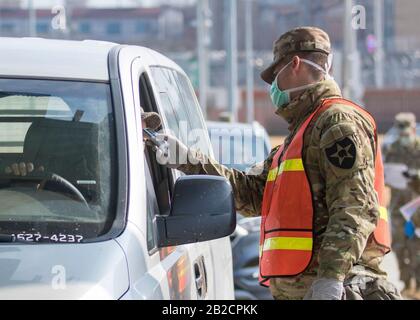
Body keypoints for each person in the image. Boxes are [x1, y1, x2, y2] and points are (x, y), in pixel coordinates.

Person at [152, 27, 401, 300]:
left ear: (294, 64)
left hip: (333, 289)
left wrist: (330, 280)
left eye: (274, 75)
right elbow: (251, 193)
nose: (272, 86)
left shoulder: (337, 122)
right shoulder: (301, 132)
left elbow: (354, 208)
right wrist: (185, 159)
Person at [383, 113, 420, 295]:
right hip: (398, 209)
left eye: (407, 134)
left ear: (413, 130)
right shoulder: (391, 151)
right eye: (401, 134)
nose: (404, 138)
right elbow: (385, 177)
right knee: (399, 247)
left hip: (417, 210)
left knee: (417, 246)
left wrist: (416, 178)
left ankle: (419, 285)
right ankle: (406, 283)